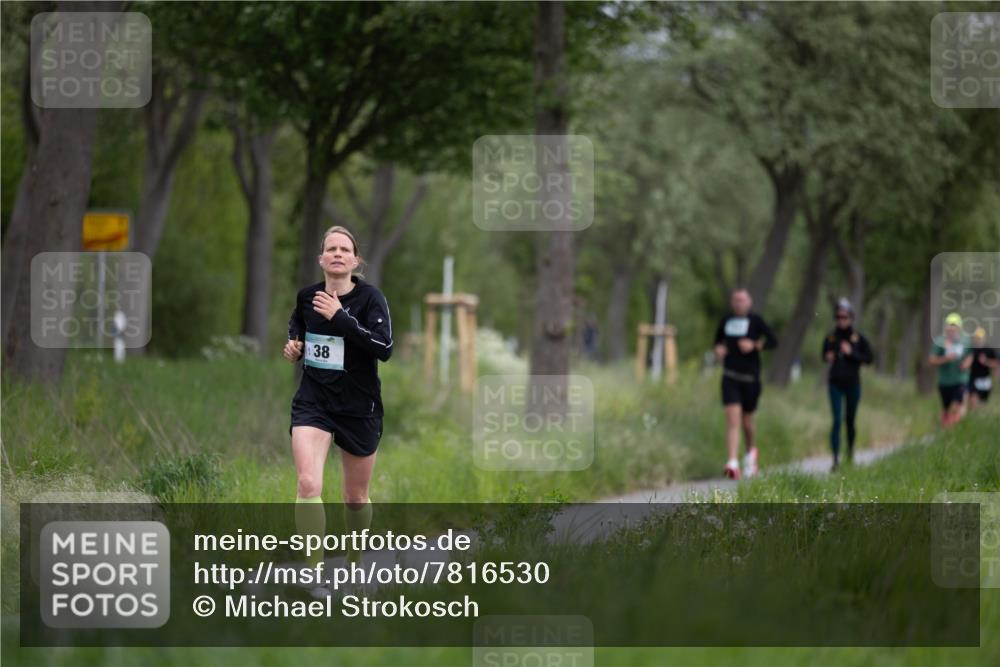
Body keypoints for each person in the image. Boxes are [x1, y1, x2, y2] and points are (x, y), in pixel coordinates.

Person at [283, 225, 393, 574]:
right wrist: (294, 347)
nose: (337, 254)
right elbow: (297, 329)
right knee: (308, 483)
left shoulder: (371, 299)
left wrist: (341, 318)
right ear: (321, 258)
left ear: (355, 260)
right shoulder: (306, 297)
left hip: (359, 407)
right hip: (314, 402)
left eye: (344, 249)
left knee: (355, 498)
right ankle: (314, 572)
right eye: (331, 249)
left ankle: (354, 561)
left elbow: (384, 348)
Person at [713, 287, 778, 479]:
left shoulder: (756, 321)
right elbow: (717, 342)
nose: (738, 303)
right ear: (732, 303)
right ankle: (732, 462)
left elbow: (773, 341)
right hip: (730, 376)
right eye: (735, 300)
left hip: (750, 378)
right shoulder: (725, 321)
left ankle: (750, 454)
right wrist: (719, 350)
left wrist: (755, 345)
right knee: (732, 418)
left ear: (749, 302)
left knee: (747, 421)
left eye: (742, 300)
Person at [822, 299, 874, 471]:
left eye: (844, 317)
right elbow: (823, 354)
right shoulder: (830, 337)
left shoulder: (858, 338)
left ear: (850, 318)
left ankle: (850, 454)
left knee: (849, 420)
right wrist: (828, 356)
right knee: (836, 420)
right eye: (838, 317)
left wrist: (852, 353)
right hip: (835, 383)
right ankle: (835, 460)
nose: (841, 320)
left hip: (853, 383)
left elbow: (869, 359)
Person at [928, 312, 972, 428]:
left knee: (956, 405)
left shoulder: (966, 341)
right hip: (945, 381)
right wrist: (946, 358)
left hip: (960, 379)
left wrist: (966, 363)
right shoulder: (940, 342)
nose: (952, 329)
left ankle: (954, 428)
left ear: (959, 328)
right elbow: (932, 360)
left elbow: (971, 355)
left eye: (955, 326)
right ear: (946, 327)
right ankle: (945, 430)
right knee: (946, 409)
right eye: (950, 326)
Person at [967, 327, 998, 410]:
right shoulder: (971, 349)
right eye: (976, 337)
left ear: (984, 338)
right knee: (973, 399)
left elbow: (996, 364)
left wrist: (986, 361)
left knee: (983, 403)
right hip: (973, 378)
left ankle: (980, 418)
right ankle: (973, 416)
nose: (978, 339)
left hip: (985, 379)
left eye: (980, 337)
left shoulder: (989, 350)